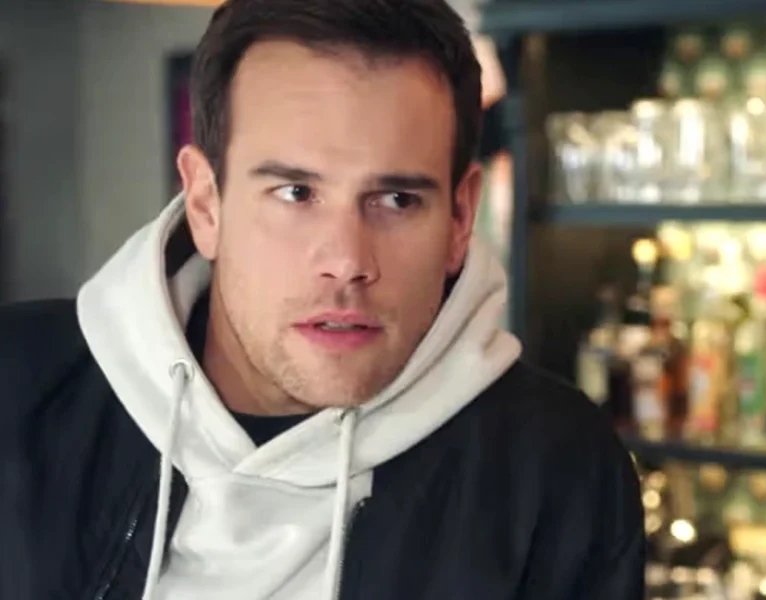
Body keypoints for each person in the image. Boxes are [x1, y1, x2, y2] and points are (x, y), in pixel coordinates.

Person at [0, 1, 644, 599]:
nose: (348, 261)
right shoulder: (18, 390)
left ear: (459, 218)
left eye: (396, 200)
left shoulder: (554, 469)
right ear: (205, 204)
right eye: (295, 194)